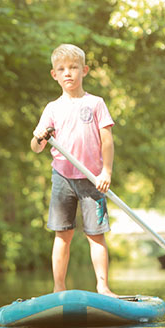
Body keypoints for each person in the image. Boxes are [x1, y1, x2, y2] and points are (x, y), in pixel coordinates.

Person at [30, 43, 117, 297]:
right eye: (62, 69)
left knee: (96, 236)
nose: (68, 73)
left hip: (93, 179)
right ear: (54, 74)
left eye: (73, 67)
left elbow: (107, 141)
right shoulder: (52, 108)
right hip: (63, 178)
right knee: (62, 235)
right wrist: (38, 137)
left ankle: (103, 286)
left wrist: (107, 173)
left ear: (85, 70)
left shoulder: (96, 103)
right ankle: (59, 288)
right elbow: (36, 147)